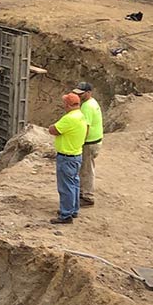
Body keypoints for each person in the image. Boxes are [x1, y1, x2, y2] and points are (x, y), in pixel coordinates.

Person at [48, 92, 88, 224]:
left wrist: (52, 126)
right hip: (77, 154)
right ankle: (73, 209)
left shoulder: (69, 118)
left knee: (65, 187)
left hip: (67, 157)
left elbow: (53, 130)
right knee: (74, 184)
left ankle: (66, 215)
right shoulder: (81, 116)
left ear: (68, 105)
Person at [73, 81, 103, 207]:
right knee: (86, 168)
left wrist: (79, 142)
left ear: (89, 93)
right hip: (94, 141)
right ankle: (83, 192)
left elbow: (85, 127)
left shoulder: (87, 107)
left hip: (89, 143)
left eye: (82, 93)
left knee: (86, 169)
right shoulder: (92, 103)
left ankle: (87, 196)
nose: (79, 96)